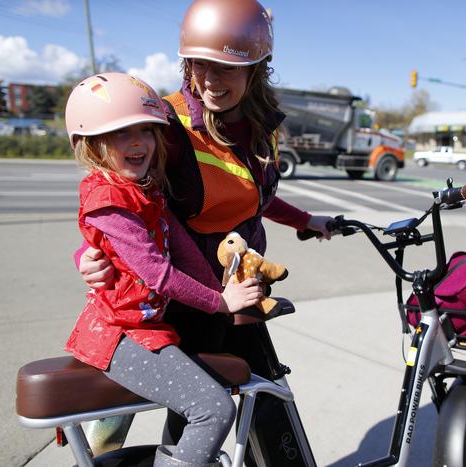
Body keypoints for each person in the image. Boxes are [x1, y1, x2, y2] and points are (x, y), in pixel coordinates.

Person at [77, 0, 333, 453]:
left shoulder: (261, 126)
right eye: (200, 66)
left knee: (237, 396)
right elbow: (115, 199)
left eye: (226, 69)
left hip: (236, 283)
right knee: (170, 406)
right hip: (180, 292)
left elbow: (256, 196)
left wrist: (306, 220)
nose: (211, 81)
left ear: (257, 68)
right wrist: (87, 257)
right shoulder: (168, 121)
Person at [64, 72, 265, 466]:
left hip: (149, 325)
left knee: (198, 407)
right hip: (120, 332)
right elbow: (156, 272)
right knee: (213, 409)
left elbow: (185, 252)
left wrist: (224, 293)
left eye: (146, 131)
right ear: (91, 143)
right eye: (122, 133)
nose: (139, 142)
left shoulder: (146, 190)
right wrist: (221, 302)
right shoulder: (110, 198)